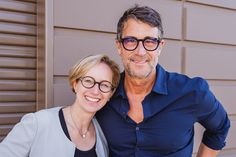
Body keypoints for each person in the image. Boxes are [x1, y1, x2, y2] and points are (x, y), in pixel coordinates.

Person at [96, 5, 231, 157]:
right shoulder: (103, 92)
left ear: (160, 46)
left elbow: (221, 127)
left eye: (150, 41)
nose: (140, 52)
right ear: (119, 46)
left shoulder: (193, 92)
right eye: (130, 41)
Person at [0, 54, 120, 157]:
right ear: (75, 84)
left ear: (110, 93)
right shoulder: (37, 123)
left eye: (104, 85)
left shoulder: (102, 132)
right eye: (88, 81)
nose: (95, 91)